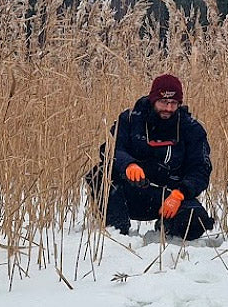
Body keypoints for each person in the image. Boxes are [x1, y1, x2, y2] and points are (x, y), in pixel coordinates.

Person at [85, 74, 215, 241]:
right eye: (163, 102)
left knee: (196, 223)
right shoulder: (130, 119)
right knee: (99, 174)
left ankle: (166, 226)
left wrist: (180, 193)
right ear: (153, 99)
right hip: (130, 191)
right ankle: (116, 232)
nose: (168, 108)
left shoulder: (192, 129)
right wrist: (128, 164)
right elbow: (110, 149)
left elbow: (201, 169)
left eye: (173, 103)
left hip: (168, 196)